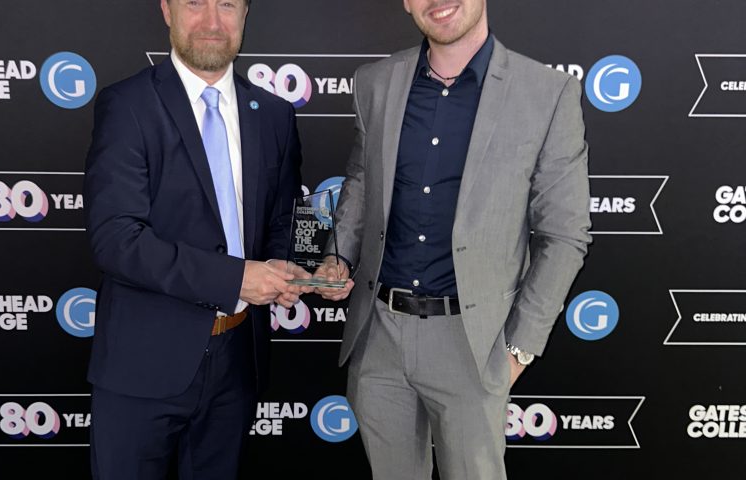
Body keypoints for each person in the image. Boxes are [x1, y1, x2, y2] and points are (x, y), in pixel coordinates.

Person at [315, 0, 592, 478]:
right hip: (379, 337)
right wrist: (337, 255)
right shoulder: (375, 83)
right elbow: (361, 182)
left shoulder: (547, 93)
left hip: (473, 345)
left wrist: (519, 349)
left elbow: (564, 234)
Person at [83, 0, 308, 478]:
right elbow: (116, 239)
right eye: (195, 3)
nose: (211, 22)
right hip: (142, 366)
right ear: (167, 10)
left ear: (245, 14)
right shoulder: (128, 105)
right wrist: (237, 279)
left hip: (237, 365)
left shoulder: (273, 114)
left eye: (226, 4)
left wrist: (294, 269)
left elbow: (282, 223)